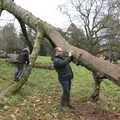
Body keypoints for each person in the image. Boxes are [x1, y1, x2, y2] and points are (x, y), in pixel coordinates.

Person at [52, 47, 74, 112]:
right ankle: (62, 106)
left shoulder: (61, 58)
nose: (61, 52)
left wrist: (71, 56)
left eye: (61, 51)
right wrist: (69, 56)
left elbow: (68, 60)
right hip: (63, 78)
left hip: (67, 77)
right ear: (56, 52)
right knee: (65, 92)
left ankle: (68, 104)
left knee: (68, 92)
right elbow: (64, 63)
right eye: (60, 51)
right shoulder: (55, 60)